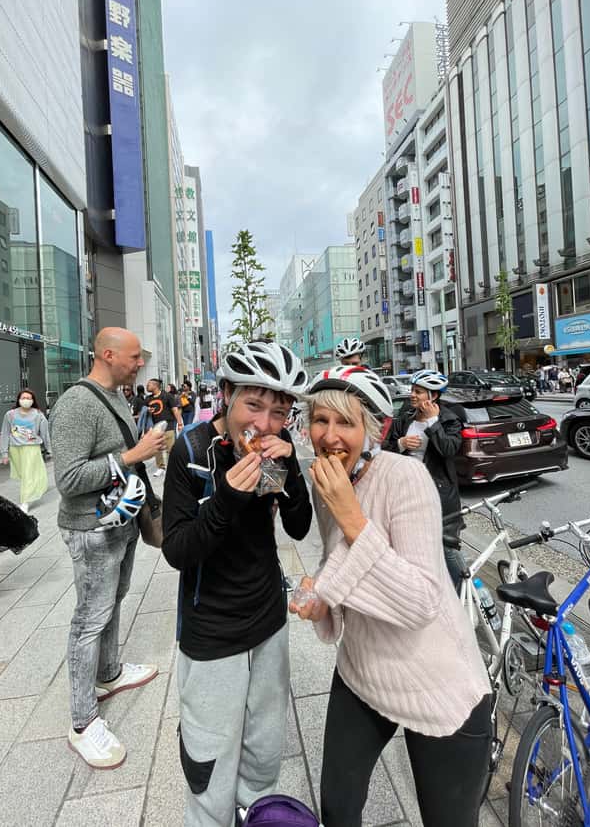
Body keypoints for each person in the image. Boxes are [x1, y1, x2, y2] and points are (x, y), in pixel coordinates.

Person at [291, 365, 491, 827]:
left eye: (346, 422)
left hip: (437, 682)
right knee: (338, 808)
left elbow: (421, 600)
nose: (330, 435)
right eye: (320, 419)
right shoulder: (328, 481)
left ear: (374, 430)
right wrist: (321, 595)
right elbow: (339, 559)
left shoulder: (406, 478)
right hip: (362, 668)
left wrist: (351, 516)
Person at [162, 341, 312, 824]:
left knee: (264, 751)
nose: (264, 424)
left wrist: (289, 468)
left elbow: (298, 527)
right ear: (226, 394)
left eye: (279, 413)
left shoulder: (268, 455)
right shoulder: (192, 452)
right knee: (209, 763)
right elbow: (178, 550)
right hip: (212, 630)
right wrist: (226, 498)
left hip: (269, 621)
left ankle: (256, 813)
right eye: (253, 405)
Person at [50, 328, 167, 770]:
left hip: (122, 520)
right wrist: (134, 454)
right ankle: (83, 723)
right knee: (89, 620)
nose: (140, 364)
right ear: (108, 354)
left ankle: (109, 672)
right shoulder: (76, 404)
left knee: (114, 601)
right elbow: (69, 479)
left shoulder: (116, 395)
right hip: (92, 529)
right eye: (134, 357)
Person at [382, 369, 465, 590]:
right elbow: (385, 449)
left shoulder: (449, 419)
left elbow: (449, 449)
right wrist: (401, 444)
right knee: (411, 546)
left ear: (433, 395)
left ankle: (463, 593)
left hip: (438, 495)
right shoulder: (405, 417)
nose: (412, 395)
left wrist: (432, 422)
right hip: (406, 493)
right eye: (412, 390)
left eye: (418, 391)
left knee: (447, 548)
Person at [0, 388, 51, 513]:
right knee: (23, 475)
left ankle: (25, 502)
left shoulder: (38, 415)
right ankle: (33, 489)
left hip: (31, 448)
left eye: (29, 398)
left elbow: (45, 433)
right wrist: (4, 453)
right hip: (15, 449)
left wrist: (49, 448)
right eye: (23, 398)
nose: (26, 400)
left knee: (28, 474)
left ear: (33, 400)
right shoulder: (10, 414)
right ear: (19, 400)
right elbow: (5, 433)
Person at [145, 378, 183, 477]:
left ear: (155, 386)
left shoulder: (167, 396)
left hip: (168, 425)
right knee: (157, 448)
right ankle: (161, 467)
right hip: (155, 427)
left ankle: (172, 467)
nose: (147, 386)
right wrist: (148, 410)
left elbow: (175, 410)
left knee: (170, 448)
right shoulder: (148, 399)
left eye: (149, 384)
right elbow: (144, 413)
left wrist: (180, 424)